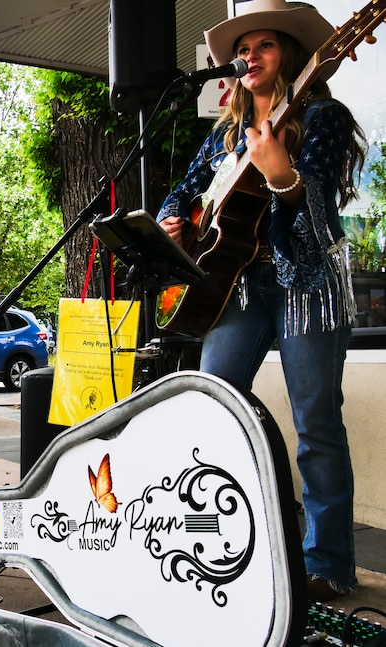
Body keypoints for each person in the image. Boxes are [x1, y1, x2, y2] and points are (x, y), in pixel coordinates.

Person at [157, 0, 366, 603]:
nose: (250, 57)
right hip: (237, 285)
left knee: (315, 425)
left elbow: (322, 222)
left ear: (292, 55)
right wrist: (177, 221)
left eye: (264, 46)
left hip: (306, 284)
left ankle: (327, 563)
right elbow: (184, 190)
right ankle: (215, 544)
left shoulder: (322, 117)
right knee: (210, 409)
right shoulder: (226, 132)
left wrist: (283, 178)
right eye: (243, 50)